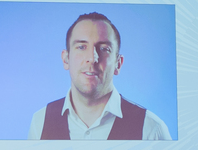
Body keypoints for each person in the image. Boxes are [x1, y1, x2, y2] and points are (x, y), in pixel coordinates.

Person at [26, 11, 173, 141]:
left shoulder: (152, 130)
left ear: (118, 63)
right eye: (82, 47)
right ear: (66, 59)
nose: (92, 57)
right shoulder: (40, 122)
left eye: (104, 48)